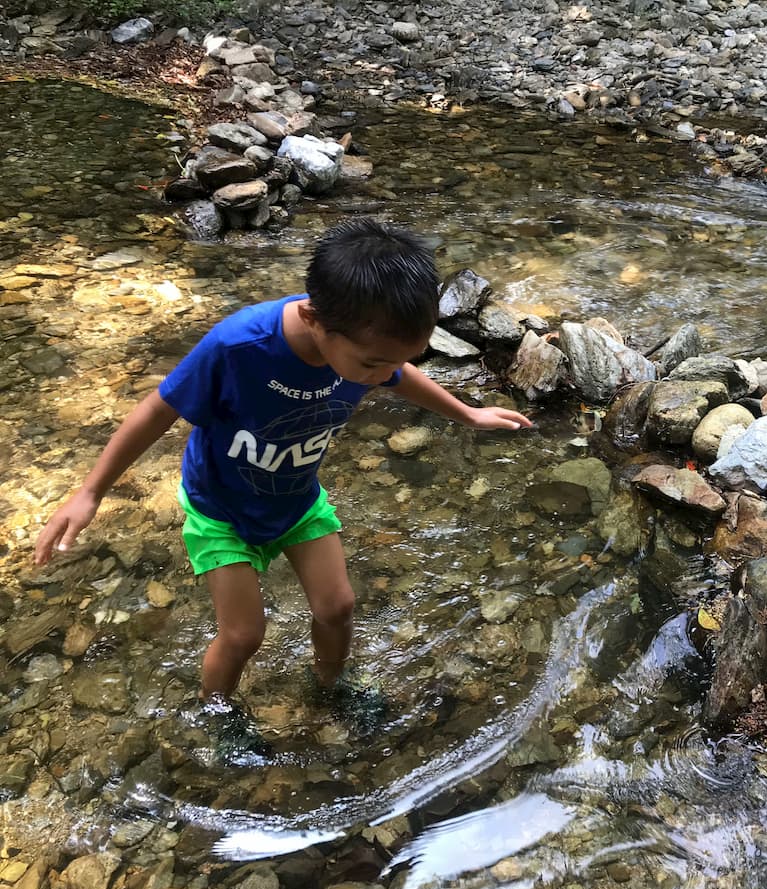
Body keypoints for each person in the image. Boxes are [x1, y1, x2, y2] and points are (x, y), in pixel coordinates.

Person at [34, 218, 531, 709]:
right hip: (222, 510)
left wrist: (467, 413)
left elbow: (398, 374)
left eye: (396, 360)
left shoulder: (368, 345)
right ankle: (216, 712)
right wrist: (91, 491)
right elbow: (158, 408)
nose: (382, 376)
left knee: (338, 607)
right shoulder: (238, 346)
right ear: (315, 320)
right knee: (245, 635)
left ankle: (332, 688)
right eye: (371, 366)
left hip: (296, 499)